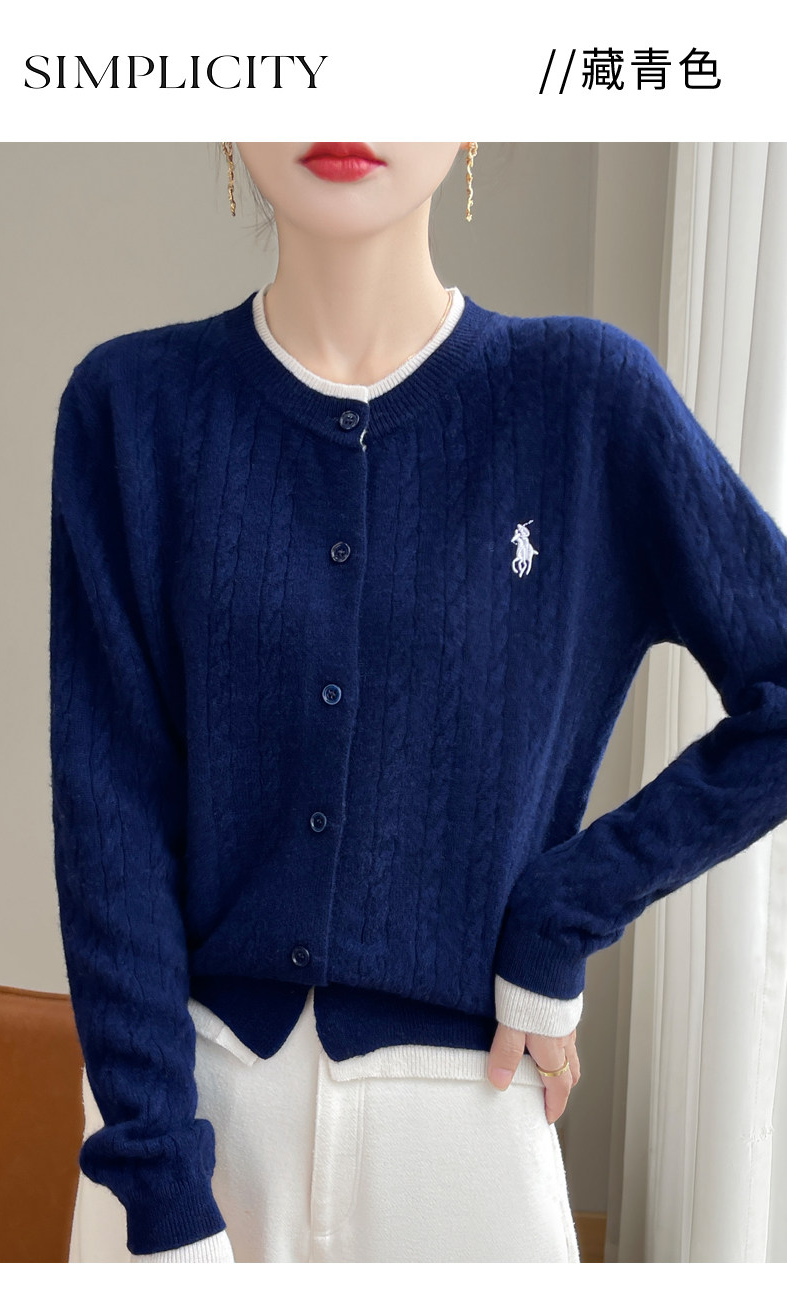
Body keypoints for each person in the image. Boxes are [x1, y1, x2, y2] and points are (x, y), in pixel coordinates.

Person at [50, 143, 787, 1264]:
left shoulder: (584, 399)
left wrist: (565, 909)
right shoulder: (132, 409)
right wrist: (160, 1193)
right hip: (186, 1122)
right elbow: (109, 815)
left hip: (463, 1131)